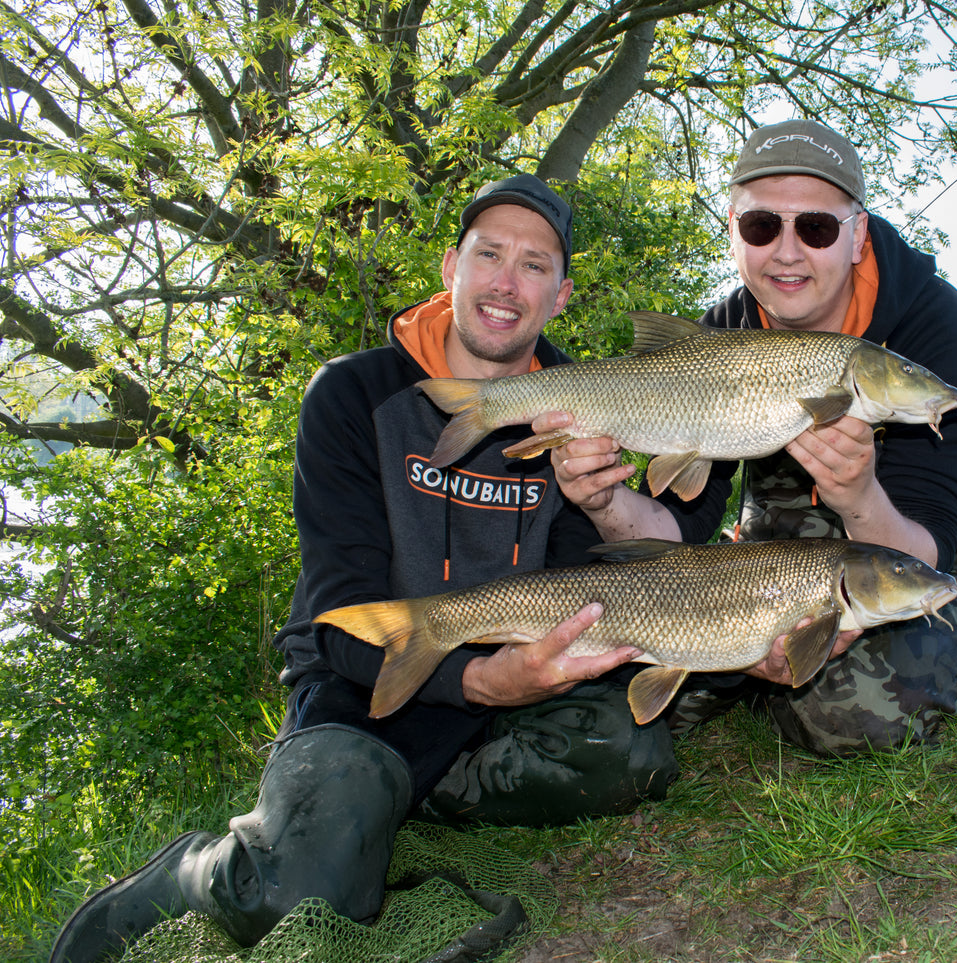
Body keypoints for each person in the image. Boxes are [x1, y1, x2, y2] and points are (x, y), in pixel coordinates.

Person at [49, 174, 717, 963]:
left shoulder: (585, 404)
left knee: (631, 753)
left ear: (560, 295)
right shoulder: (352, 393)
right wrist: (477, 680)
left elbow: (669, 544)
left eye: (534, 265)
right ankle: (202, 870)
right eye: (489, 254)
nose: (507, 282)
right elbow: (338, 616)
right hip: (363, 685)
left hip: (506, 698)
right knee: (305, 895)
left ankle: (403, 810)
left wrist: (603, 507)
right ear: (450, 268)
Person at [544, 119, 957, 756]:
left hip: (917, 563)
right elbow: (679, 529)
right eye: (762, 227)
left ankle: (770, 672)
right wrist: (603, 502)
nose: (786, 252)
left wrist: (856, 494)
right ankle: (740, 658)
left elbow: (929, 550)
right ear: (733, 233)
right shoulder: (724, 333)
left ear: (856, 235)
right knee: (598, 707)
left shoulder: (933, 325)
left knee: (852, 715)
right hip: (765, 569)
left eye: (815, 228)